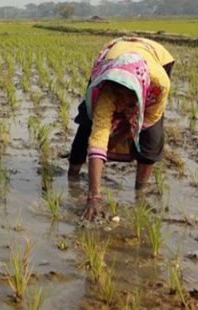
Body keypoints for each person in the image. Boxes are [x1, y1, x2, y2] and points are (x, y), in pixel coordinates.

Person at [68, 37, 174, 219]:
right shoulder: (106, 89)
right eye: (120, 95)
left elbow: (146, 120)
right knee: (87, 124)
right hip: (112, 62)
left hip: (157, 59)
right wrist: (94, 195)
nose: (124, 101)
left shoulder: (160, 85)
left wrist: (116, 139)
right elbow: (99, 134)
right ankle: (72, 178)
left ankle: (140, 193)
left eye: (129, 95)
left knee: (151, 137)